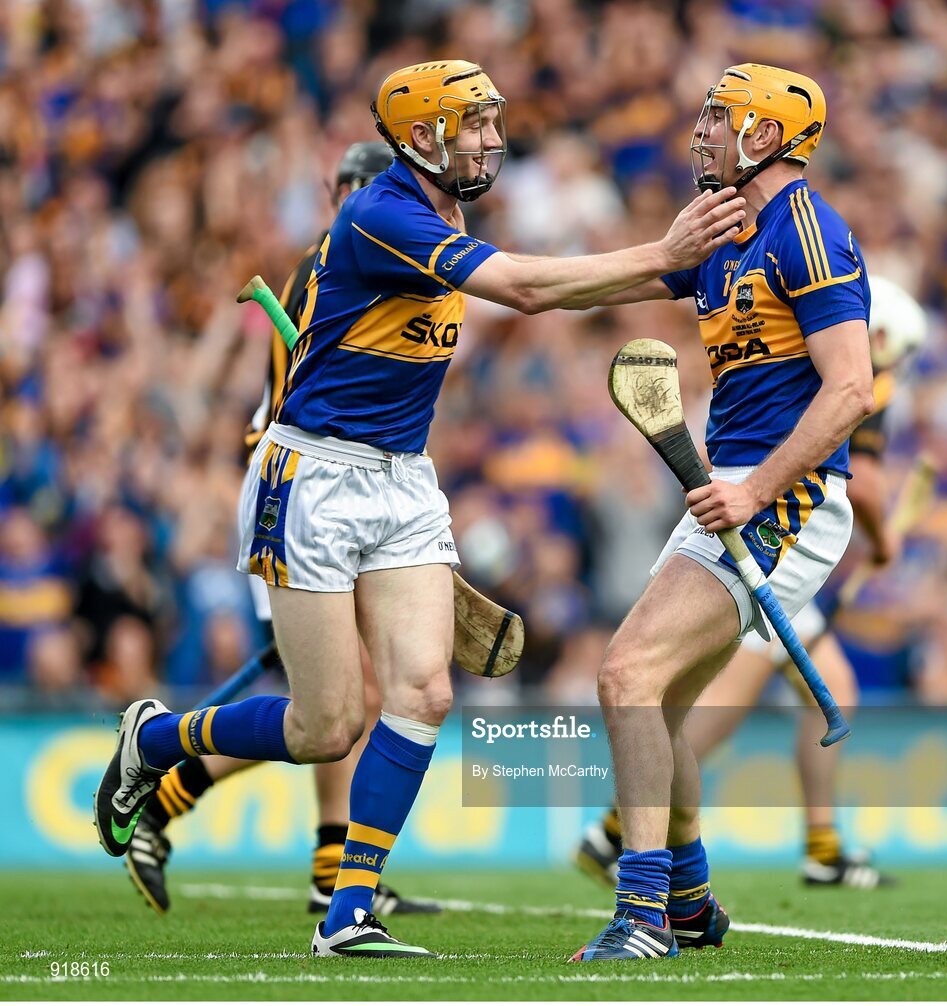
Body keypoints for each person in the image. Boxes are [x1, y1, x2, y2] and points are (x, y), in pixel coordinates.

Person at [93, 59, 746, 958]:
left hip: (401, 480)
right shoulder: (384, 213)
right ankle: (157, 740)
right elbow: (523, 290)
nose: (489, 137)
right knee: (324, 727)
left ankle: (348, 913)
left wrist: (683, 275)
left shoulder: (447, 210)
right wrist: (664, 255)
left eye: (490, 120)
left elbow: (544, 290)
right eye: (470, 123)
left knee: (426, 691)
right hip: (314, 477)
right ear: (422, 135)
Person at [568, 63, 875, 962]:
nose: (699, 128)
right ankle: (693, 902)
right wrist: (490, 278)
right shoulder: (721, 226)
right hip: (731, 489)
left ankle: (644, 915)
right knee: (653, 705)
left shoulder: (807, 231)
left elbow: (852, 388)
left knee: (626, 674)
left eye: (719, 115)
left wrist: (756, 489)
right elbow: (601, 285)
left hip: (785, 498)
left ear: (767, 136)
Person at [124, 142, 437, 919]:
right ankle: (166, 792)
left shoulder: (358, 264)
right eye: (365, 192)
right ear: (339, 195)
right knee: (331, 706)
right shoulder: (334, 265)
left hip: (331, 488)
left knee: (347, 697)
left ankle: (329, 864)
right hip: (300, 494)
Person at [575, 274, 927, 894]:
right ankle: (627, 833)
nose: (894, 364)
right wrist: (886, 540)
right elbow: (865, 483)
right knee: (693, 697)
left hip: (772, 523)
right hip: (770, 523)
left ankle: (802, 852)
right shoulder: (856, 365)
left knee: (799, 688)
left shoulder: (812, 344)